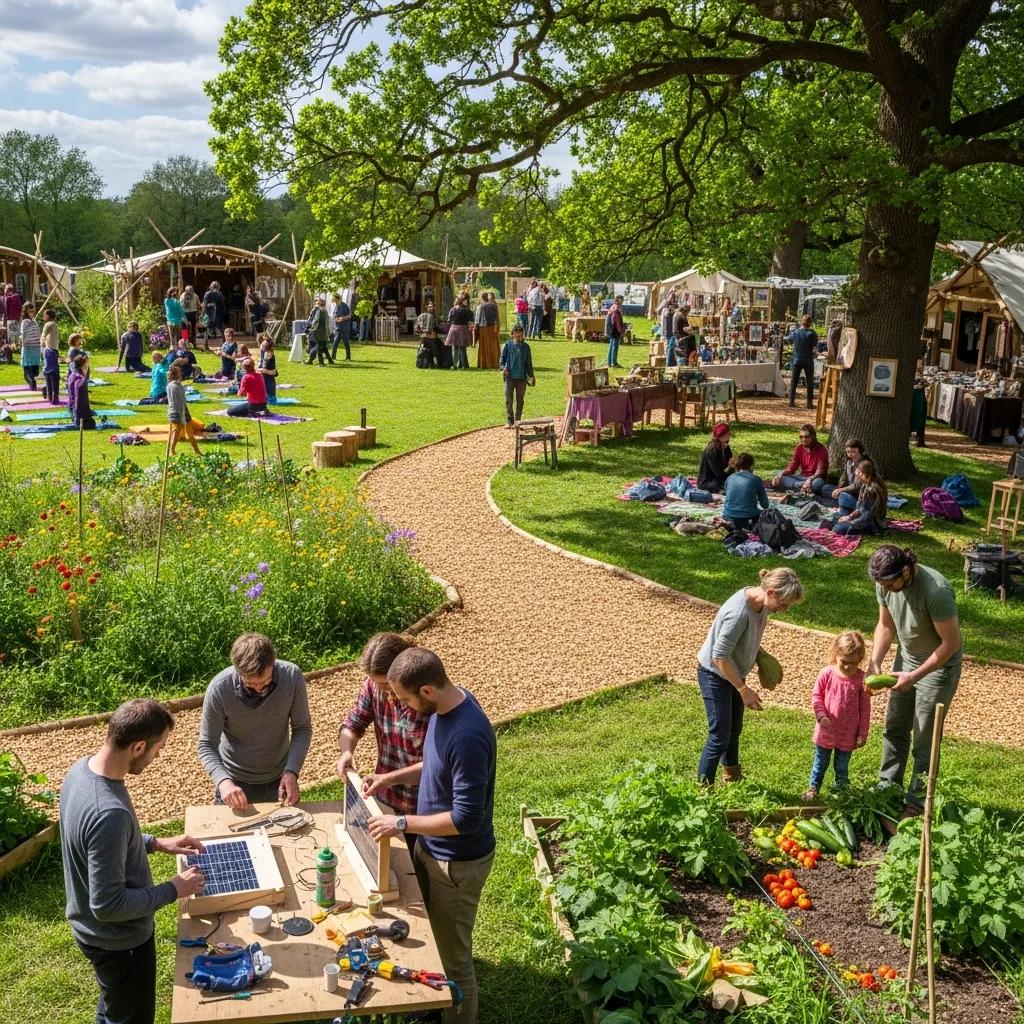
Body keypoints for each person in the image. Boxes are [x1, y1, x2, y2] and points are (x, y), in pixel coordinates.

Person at [365, 648, 496, 1024]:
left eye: (404, 699)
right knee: (433, 943)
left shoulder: (468, 735)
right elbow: (437, 763)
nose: (401, 706)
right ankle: (431, 1006)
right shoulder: (447, 706)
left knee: (455, 961)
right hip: (432, 848)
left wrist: (402, 824)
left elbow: (465, 819)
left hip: (457, 863)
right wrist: (390, 778)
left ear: (426, 690)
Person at [60, 699, 205, 1024]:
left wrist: (155, 843)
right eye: (158, 748)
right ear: (138, 746)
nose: (158, 756)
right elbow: (108, 905)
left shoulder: (80, 771)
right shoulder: (109, 813)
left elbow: (93, 842)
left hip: (93, 933)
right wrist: (174, 888)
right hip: (118, 943)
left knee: (114, 1005)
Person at [866, 546, 962, 817]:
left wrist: (915, 676)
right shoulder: (884, 583)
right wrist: (875, 661)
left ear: (906, 571)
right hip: (905, 660)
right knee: (894, 727)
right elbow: (886, 625)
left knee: (924, 739)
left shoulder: (936, 592)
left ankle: (917, 803)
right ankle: (887, 787)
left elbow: (951, 643)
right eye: (881, 584)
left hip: (938, 667)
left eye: (890, 584)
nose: (885, 588)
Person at [695, 567, 804, 784]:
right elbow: (719, 657)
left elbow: (745, 638)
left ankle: (732, 777)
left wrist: (761, 657)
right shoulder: (738, 614)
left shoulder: (760, 603)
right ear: (770, 592)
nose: (784, 609)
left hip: (733, 671)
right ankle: (703, 789)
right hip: (714, 674)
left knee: (734, 730)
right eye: (783, 604)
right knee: (719, 736)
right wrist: (743, 690)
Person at [198, 633, 313, 809]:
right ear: (237, 671)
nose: (259, 689)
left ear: (273, 663)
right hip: (234, 782)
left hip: (280, 779)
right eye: (251, 684)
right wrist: (223, 781)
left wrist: (292, 771)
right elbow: (206, 744)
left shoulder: (292, 677)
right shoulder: (219, 689)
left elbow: (302, 728)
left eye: (266, 682)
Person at [337, 633, 429, 825]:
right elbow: (353, 723)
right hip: (385, 800)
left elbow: (435, 765)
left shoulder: (427, 700)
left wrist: (387, 779)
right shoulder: (373, 686)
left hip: (424, 808)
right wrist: (346, 751)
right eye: (376, 682)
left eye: (386, 683)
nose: (381, 688)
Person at [803, 631, 871, 801]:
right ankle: (813, 788)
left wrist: (862, 733)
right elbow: (817, 696)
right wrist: (821, 715)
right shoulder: (827, 673)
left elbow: (865, 709)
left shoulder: (862, 680)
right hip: (826, 730)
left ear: (860, 658)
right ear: (836, 654)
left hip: (848, 733)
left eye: (852, 663)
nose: (847, 667)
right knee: (820, 763)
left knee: (841, 767)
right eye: (844, 662)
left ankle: (841, 792)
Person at [825, 459, 887, 536]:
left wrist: (852, 522)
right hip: (862, 517)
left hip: (871, 523)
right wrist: (849, 516)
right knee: (834, 520)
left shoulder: (872, 490)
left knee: (837, 528)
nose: (858, 475)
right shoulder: (865, 485)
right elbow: (860, 507)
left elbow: (868, 515)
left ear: (868, 474)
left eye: (861, 473)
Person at [812, 437, 867, 510]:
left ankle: (847, 505)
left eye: (854, 452)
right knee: (825, 488)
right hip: (848, 491)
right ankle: (840, 503)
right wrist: (838, 488)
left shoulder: (864, 464)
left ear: (860, 450)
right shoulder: (849, 462)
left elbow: (857, 485)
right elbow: (844, 477)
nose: (851, 454)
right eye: (848, 452)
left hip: (859, 494)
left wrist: (841, 490)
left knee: (842, 497)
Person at [772, 423, 829, 493]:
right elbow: (792, 467)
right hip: (801, 478)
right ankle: (802, 487)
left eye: (806, 437)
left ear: (813, 437)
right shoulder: (799, 448)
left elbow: (820, 472)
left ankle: (797, 487)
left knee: (817, 484)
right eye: (801, 437)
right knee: (778, 476)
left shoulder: (822, 450)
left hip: (814, 479)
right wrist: (779, 475)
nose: (803, 439)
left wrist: (809, 480)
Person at [499, 323, 536, 427]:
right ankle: (509, 421)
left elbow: (528, 363)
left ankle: (518, 421)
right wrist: (503, 368)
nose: (518, 337)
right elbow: (502, 360)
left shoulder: (526, 347)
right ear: (512, 334)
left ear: (523, 334)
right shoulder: (507, 345)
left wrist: (531, 376)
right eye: (516, 334)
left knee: (520, 401)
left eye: (520, 334)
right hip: (509, 377)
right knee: (508, 400)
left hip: (522, 378)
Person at [722, 453, 769, 529]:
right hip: (747, 517)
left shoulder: (730, 478)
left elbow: (726, 494)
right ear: (751, 466)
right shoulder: (756, 479)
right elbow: (765, 505)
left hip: (728, 515)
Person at [166, 362, 200, 455]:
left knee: (189, 430)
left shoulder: (177, 385)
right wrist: (182, 417)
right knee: (177, 430)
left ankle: (197, 451)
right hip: (177, 411)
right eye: (179, 372)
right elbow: (177, 402)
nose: (181, 373)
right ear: (175, 374)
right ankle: (172, 450)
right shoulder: (174, 386)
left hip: (183, 409)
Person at [787, 314, 818, 407]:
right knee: (809, 381)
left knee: (794, 381)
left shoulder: (796, 332)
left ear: (802, 322)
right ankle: (809, 403)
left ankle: (791, 401)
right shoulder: (812, 333)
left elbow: (789, 339)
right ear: (810, 323)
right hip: (808, 360)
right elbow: (815, 346)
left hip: (797, 359)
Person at [697, 422, 734, 493]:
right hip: (707, 482)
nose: (730, 435)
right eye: (728, 433)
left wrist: (734, 465)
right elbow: (719, 474)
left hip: (720, 478)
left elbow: (729, 467)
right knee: (730, 485)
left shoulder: (726, 448)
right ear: (722, 436)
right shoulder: (712, 450)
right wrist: (730, 467)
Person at [445, 294, 473, 370]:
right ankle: (464, 365)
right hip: (463, 329)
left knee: (455, 348)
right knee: (463, 348)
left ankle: (454, 365)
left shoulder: (453, 309)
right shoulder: (468, 311)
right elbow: (470, 320)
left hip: (454, 328)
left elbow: (449, 319)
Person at [68, 354, 96, 429]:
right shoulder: (81, 380)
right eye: (87, 366)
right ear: (83, 366)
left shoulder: (73, 375)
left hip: (73, 410)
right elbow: (78, 401)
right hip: (78, 414)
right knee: (92, 423)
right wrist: (79, 419)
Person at [474, 291, 501, 369]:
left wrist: (475, 330)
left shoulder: (480, 307)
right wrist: (497, 327)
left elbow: (477, 320)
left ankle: (484, 363)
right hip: (492, 327)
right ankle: (494, 363)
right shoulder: (494, 305)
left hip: (483, 328)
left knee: (484, 346)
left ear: (482, 298)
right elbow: (497, 318)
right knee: (493, 345)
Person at [19, 304, 41, 390]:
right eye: (30, 311)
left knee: (30, 367)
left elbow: (37, 333)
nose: (32, 313)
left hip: (33, 347)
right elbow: (24, 333)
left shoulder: (32, 321)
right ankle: (32, 382)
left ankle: (32, 382)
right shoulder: (27, 322)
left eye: (33, 311)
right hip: (31, 347)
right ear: (26, 312)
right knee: (30, 367)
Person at [306, 298, 334, 365]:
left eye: (318, 304)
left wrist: (311, 329)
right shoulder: (325, 312)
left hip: (319, 333)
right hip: (324, 333)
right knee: (324, 347)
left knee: (318, 348)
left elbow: (316, 322)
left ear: (320, 304)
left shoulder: (319, 312)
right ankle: (330, 360)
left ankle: (320, 363)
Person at [415, 302, 441, 368]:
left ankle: (419, 362)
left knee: (420, 350)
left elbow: (416, 328)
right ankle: (437, 364)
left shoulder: (420, 316)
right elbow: (436, 328)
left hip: (423, 337)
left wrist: (422, 333)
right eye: (431, 307)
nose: (432, 308)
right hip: (431, 337)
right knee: (436, 352)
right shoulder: (433, 317)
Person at [605, 294, 625, 368]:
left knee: (611, 345)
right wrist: (620, 330)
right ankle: (614, 362)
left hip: (611, 329)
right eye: (621, 300)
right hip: (614, 330)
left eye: (623, 300)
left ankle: (609, 362)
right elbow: (615, 321)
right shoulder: (616, 309)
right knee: (615, 346)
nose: (622, 301)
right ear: (618, 300)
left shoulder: (613, 307)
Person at [43, 327, 61, 405]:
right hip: (54, 371)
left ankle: (50, 399)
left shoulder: (45, 350)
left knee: (49, 385)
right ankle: (55, 399)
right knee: (55, 387)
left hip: (47, 370)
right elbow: (57, 360)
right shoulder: (54, 351)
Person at [331, 292, 352, 360]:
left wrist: (343, 318)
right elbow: (334, 315)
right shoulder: (336, 307)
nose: (335, 302)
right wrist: (336, 318)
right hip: (338, 328)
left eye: (336, 300)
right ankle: (333, 357)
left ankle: (348, 357)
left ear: (339, 299)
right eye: (335, 301)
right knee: (335, 342)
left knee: (346, 342)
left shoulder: (345, 306)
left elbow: (349, 316)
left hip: (344, 328)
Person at [257, 334, 278, 402]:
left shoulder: (270, 355)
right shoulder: (262, 352)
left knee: (269, 400)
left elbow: (274, 372)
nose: (261, 346)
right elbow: (259, 365)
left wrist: (264, 370)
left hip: (269, 383)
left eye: (264, 345)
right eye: (262, 344)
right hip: (262, 381)